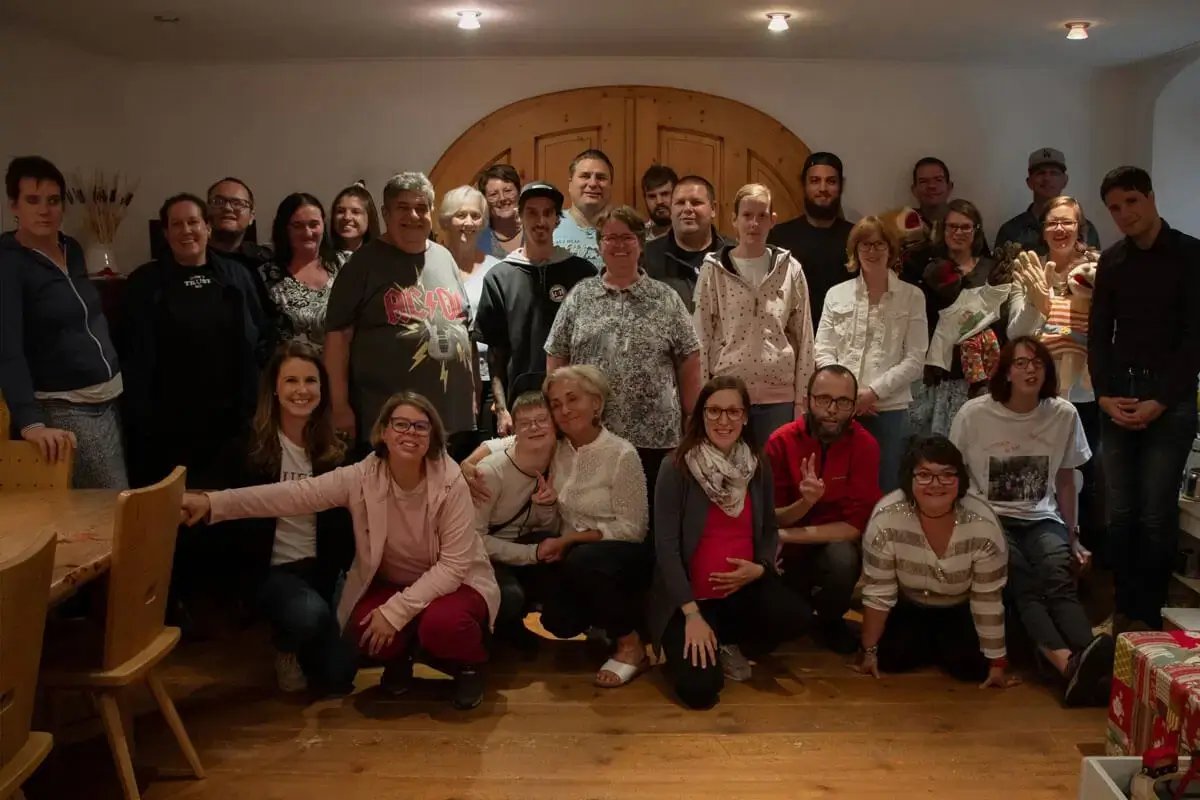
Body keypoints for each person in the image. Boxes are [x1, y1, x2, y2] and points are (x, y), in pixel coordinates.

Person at [180, 392, 500, 710]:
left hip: (456, 583)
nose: (410, 433)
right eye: (400, 424)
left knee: (441, 624)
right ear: (384, 432)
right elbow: (294, 495)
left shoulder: (451, 481)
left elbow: (453, 567)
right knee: (361, 627)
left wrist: (396, 612)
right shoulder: (362, 476)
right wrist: (214, 503)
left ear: (432, 437)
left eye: (421, 426)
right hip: (395, 581)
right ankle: (400, 658)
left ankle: (468, 666)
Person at [949, 337, 1113, 706]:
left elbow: (1067, 480)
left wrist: (1073, 536)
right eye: (1021, 363)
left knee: (1057, 572)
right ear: (1006, 371)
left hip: (1042, 516)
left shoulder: (1063, 414)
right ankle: (1067, 663)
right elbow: (954, 473)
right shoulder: (974, 414)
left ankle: (1089, 657)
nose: (1030, 370)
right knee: (1021, 578)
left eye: (1038, 363)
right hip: (989, 518)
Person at [650, 376, 811, 708]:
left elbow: (768, 527)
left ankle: (727, 641)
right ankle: (698, 637)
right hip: (690, 601)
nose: (723, 420)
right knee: (700, 692)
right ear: (701, 415)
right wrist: (692, 615)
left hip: (741, 592)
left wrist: (761, 567)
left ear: (745, 416)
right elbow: (666, 548)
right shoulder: (676, 467)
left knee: (797, 616)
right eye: (714, 411)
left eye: (733, 412)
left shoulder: (757, 464)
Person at [206, 342, 356, 694]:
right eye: (291, 381)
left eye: (310, 381)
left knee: (339, 678)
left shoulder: (337, 450)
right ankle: (284, 646)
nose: (301, 390)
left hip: (324, 570)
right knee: (308, 616)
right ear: (274, 388)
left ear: (323, 388)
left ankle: (311, 641)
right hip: (274, 571)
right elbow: (221, 508)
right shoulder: (249, 446)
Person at [1089, 166, 1200, 631]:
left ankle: (1149, 619)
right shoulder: (1112, 260)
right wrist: (1104, 396)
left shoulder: (1191, 255)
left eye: (1131, 201)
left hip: (1170, 401)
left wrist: (1162, 400)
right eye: (1114, 208)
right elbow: (1099, 335)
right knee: (1120, 513)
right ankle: (1123, 612)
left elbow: (1195, 340)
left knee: (1156, 513)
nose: (1124, 214)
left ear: (1151, 197)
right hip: (1119, 396)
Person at [545, 205, 701, 505]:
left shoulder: (665, 298)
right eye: (610, 238)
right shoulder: (580, 296)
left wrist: (692, 417)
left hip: (655, 437)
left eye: (627, 237)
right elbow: (556, 355)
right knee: (597, 513)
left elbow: (689, 358)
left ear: (640, 244)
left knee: (652, 515)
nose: (619, 245)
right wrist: (558, 414)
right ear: (599, 245)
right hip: (593, 434)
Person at [121, 193, 269, 489]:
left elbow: (261, 336)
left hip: (231, 422)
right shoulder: (144, 282)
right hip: (166, 426)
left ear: (208, 228)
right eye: (176, 224)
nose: (186, 230)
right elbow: (131, 353)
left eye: (193, 222)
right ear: (165, 233)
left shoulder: (237, 276)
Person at [323, 172, 475, 458]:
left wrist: (472, 394)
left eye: (421, 207)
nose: (413, 215)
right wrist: (339, 406)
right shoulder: (362, 264)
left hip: (451, 417)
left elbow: (464, 327)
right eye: (403, 207)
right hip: (389, 421)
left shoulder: (444, 257)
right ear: (385, 213)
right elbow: (338, 339)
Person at [0, 155, 127, 488]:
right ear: (14, 206)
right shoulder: (8, 264)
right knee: (110, 504)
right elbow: (7, 348)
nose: (44, 210)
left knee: (116, 497)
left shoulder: (72, 249)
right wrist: (30, 423)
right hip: (65, 406)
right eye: (33, 200)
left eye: (53, 201)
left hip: (108, 398)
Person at [855, 436, 1017, 689]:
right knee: (891, 659)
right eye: (924, 475)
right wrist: (869, 652)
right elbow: (879, 593)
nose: (936, 484)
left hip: (961, 605)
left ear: (960, 479)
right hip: (910, 603)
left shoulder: (982, 524)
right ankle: (934, 645)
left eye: (947, 475)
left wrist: (997, 663)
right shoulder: (886, 518)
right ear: (909, 478)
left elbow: (987, 598)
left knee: (973, 669)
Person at [539, 366, 652, 687]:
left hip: (621, 556)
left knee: (583, 558)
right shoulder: (557, 449)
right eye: (556, 404)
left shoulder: (621, 454)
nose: (564, 409)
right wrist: (470, 464)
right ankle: (599, 620)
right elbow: (506, 444)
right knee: (557, 621)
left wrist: (571, 540)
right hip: (575, 556)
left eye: (572, 399)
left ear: (597, 403)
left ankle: (632, 645)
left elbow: (633, 529)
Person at [1006, 195, 1103, 550]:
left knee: (1086, 474)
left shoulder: (1098, 270)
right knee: (1032, 471)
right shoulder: (1030, 269)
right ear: (1043, 229)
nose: (1060, 229)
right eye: (1052, 223)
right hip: (1037, 392)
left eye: (1067, 222)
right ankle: (1030, 546)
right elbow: (1016, 334)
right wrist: (1038, 303)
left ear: (1080, 228)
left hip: (1087, 392)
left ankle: (1081, 549)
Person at [764, 365, 881, 653]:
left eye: (843, 402)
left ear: (854, 406)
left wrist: (785, 535)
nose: (832, 410)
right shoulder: (781, 441)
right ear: (807, 401)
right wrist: (804, 503)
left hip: (828, 545)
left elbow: (852, 528)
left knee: (842, 559)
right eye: (824, 399)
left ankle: (830, 620)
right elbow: (772, 516)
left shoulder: (865, 445)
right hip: (785, 554)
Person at [694, 183, 814, 444]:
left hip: (779, 398)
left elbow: (804, 336)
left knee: (774, 467)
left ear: (772, 221)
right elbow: (701, 337)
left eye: (762, 216)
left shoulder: (790, 269)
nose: (754, 223)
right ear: (734, 220)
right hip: (728, 397)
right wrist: (703, 400)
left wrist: (801, 401)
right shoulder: (713, 270)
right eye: (747, 215)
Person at [816, 216, 927, 493]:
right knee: (838, 486)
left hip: (888, 411)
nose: (872, 251)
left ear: (891, 249)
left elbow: (915, 359)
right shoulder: (836, 295)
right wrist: (848, 395)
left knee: (884, 487)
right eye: (865, 245)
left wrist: (873, 393)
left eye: (879, 244)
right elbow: (823, 350)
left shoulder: (912, 296)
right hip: (839, 409)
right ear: (855, 250)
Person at [473, 182, 594, 435]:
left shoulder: (582, 272)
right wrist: (502, 409)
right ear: (519, 216)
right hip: (522, 406)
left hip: (574, 405)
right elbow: (496, 354)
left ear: (557, 219)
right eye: (532, 212)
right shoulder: (499, 277)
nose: (540, 221)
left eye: (548, 213)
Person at [909, 198, 1002, 437]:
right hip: (939, 372)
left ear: (976, 231)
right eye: (952, 226)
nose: (958, 232)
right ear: (943, 229)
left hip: (980, 373)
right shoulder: (929, 269)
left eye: (965, 227)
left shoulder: (992, 269)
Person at [472, 390, 559, 649]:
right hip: (483, 557)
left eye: (542, 420)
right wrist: (531, 554)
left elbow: (546, 528)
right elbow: (474, 539)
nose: (535, 427)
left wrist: (547, 506)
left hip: (518, 546)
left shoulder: (558, 460)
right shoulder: (490, 472)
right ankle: (489, 634)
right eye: (526, 423)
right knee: (509, 596)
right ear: (515, 430)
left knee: (561, 554)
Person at [439, 185, 502, 438]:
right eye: (460, 215)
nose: (468, 222)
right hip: (444, 376)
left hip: (490, 380)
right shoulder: (432, 266)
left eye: (475, 216)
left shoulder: (496, 269)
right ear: (446, 220)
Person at [767, 152, 855, 325]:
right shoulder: (779, 236)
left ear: (841, 186)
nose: (823, 188)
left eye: (831, 181)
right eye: (815, 181)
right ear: (804, 185)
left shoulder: (856, 237)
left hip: (844, 335)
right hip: (792, 334)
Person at [261, 193, 339, 350]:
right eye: (298, 226)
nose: (307, 233)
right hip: (292, 363)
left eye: (314, 224)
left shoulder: (343, 265)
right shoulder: (266, 275)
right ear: (285, 229)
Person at [642, 175, 728, 311]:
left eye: (696, 202)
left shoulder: (733, 254)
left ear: (713, 208)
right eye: (680, 203)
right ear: (671, 209)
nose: (687, 209)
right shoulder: (647, 255)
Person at [995, 149, 1101, 256]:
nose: (1047, 178)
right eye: (1040, 173)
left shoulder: (1085, 229)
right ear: (1029, 182)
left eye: (1054, 173)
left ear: (1065, 180)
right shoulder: (1010, 231)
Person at [553, 149, 612, 268]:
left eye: (601, 177)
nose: (593, 183)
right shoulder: (550, 225)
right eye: (585, 176)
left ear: (611, 185)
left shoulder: (625, 229)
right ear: (570, 184)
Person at [477, 164, 523, 259]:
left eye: (508, 191)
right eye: (493, 194)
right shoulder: (477, 238)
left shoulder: (536, 228)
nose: (502, 198)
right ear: (484, 200)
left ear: (519, 192)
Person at [330, 182, 380, 264]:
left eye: (356, 212)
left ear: (369, 217)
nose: (347, 217)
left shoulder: (382, 260)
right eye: (340, 211)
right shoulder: (321, 262)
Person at [910, 157, 954, 230]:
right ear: (914, 190)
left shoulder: (965, 223)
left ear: (949, 187)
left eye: (938, 180)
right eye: (923, 181)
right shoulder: (900, 225)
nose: (931, 186)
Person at [641, 164, 677, 241]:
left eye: (665, 194)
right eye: (652, 196)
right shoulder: (636, 238)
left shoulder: (692, 235)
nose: (659, 201)